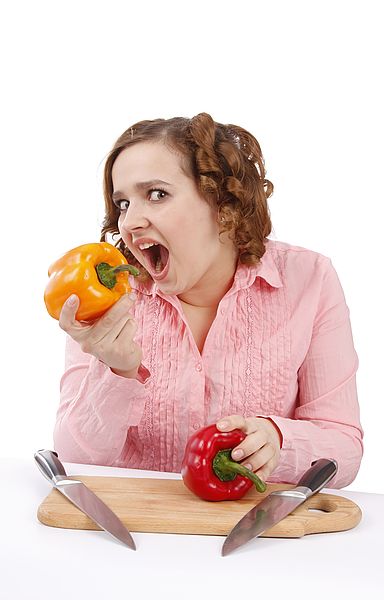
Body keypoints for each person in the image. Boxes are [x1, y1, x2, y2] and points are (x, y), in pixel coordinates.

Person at [54, 112, 363, 488]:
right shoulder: (103, 294)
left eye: (157, 194)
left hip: (257, 534)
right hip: (134, 527)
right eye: (123, 203)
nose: (130, 222)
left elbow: (345, 451)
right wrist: (117, 372)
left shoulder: (309, 280)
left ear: (223, 203)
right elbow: (75, 460)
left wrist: (279, 441)